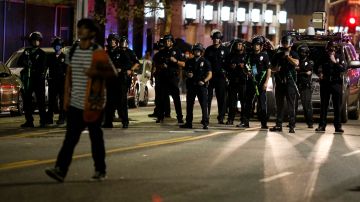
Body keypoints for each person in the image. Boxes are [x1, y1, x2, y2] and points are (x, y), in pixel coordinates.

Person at [45, 18, 117, 182]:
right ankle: (60, 170)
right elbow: (69, 75)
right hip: (76, 103)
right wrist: (65, 98)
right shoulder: (74, 50)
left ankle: (100, 170)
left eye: (83, 28)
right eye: (79, 28)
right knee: (70, 138)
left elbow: (112, 73)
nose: (80, 31)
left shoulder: (97, 51)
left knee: (95, 138)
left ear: (92, 33)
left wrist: (96, 73)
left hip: (93, 103)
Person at [102, 34, 139, 128]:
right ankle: (108, 122)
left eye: (114, 40)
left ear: (117, 41)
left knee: (121, 101)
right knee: (109, 101)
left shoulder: (121, 52)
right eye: (110, 40)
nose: (112, 42)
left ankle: (125, 121)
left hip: (120, 80)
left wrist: (121, 69)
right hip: (110, 80)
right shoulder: (106, 53)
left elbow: (129, 64)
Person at [270, 35, 300, 133]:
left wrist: (288, 57)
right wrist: (276, 69)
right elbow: (271, 67)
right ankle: (279, 125)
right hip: (280, 82)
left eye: (286, 42)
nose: (285, 44)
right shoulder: (278, 54)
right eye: (284, 42)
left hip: (290, 82)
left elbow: (296, 63)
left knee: (291, 104)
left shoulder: (294, 54)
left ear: (291, 43)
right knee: (279, 105)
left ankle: (292, 125)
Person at [17, 31, 47, 128]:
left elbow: (43, 66)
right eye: (34, 40)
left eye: (37, 40)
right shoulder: (27, 51)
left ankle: (43, 120)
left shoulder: (42, 54)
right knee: (27, 100)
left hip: (38, 79)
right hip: (28, 80)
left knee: (41, 101)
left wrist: (33, 66)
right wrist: (25, 61)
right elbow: (19, 62)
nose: (35, 42)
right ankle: (29, 120)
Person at [315, 41, 345, 133]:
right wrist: (319, 73)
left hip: (336, 83)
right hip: (325, 83)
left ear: (336, 49)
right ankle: (322, 125)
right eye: (329, 49)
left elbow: (343, 68)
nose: (331, 51)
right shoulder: (323, 57)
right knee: (324, 105)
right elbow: (315, 66)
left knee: (337, 106)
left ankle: (338, 126)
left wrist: (334, 61)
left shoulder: (340, 57)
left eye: (333, 49)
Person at [180, 43, 212, 129]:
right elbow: (184, 72)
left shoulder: (205, 62)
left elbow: (210, 74)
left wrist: (204, 81)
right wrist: (187, 74)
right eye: (195, 50)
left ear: (201, 52)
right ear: (193, 51)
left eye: (198, 50)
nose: (197, 52)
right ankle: (188, 123)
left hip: (201, 86)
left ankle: (205, 123)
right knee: (189, 105)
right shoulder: (189, 61)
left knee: (204, 105)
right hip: (191, 86)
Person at [243, 36, 272, 129]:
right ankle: (245, 122)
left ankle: (264, 124)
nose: (256, 47)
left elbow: (269, 70)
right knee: (247, 103)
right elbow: (245, 67)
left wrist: (266, 82)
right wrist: (248, 73)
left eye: (258, 45)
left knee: (262, 104)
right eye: (255, 45)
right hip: (251, 82)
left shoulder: (265, 55)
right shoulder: (249, 55)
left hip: (261, 83)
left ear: (261, 46)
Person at [155, 34, 185, 124]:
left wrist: (175, 61)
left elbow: (184, 64)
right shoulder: (161, 52)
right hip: (163, 77)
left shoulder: (177, 51)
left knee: (176, 98)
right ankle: (160, 116)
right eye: (166, 41)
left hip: (173, 77)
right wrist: (161, 65)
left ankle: (179, 117)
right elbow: (156, 63)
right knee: (161, 98)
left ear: (172, 42)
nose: (167, 42)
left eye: (169, 41)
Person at [204, 30, 229, 124]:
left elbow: (228, 63)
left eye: (217, 38)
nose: (215, 40)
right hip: (210, 77)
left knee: (221, 98)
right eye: (214, 38)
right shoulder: (208, 49)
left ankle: (221, 117)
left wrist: (227, 74)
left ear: (220, 40)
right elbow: (205, 63)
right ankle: (206, 116)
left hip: (221, 77)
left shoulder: (225, 50)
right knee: (207, 97)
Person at [225, 39, 248, 126]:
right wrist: (231, 67)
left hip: (243, 81)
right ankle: (230, 119)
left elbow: (250, 67)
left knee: (243, 102)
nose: (238, 46)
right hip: (233, 81)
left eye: (240, 44)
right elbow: (226, 66)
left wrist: (244, 66)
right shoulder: (231, 56)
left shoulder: (246, 56)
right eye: (237, 44)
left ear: (243, 46)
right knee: (232, 102)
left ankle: (243, 120)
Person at [148, 38, 171, 118]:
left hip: (166, 77)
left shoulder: (168, 53)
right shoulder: (157, 55)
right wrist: (151, 77)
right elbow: (153, 66)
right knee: (159, 96)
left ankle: (166, 113)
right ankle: (159, 111)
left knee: (164, 95)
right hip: (159, 77)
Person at [46, 37, 67, 125]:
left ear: (61, 47)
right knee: (51, 101)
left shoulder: (65, 57)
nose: (57, 47)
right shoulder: (50, 57)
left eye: (58, 45)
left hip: (62, 82)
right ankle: (49, 118)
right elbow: (46, 68)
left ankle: (62, 118)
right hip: (53, 81)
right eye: (55, 45)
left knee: (62, 100)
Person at [295, 44, 314, 128]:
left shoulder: (309, 62)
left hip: (305, 86)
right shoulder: (296, 61)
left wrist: (300, 70)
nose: (301, 54)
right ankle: (292, 121)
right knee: (293, 105)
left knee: (306, 105)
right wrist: (302, 71)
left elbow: (308, 71)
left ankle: (310, 123)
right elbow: (297, 70)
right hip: (296, 84)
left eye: (303, 52)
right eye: (300, 52)